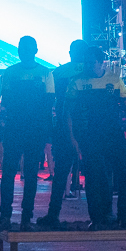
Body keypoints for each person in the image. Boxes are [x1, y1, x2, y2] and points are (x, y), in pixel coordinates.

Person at [65, 45, 126, 229]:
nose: (88, 66)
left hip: (114, 134)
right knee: (94, 177)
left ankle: (123, 215)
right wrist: (73, 138)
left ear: (101, 62)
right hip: (90, 136)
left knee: (124, 174)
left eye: (91, 62)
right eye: (86, 63)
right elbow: (68, 112)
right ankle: (97, 218)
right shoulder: (77, 82)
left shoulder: (114, 80)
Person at [0, 35, 54, 232]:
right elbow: (6, 101)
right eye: (21, 48)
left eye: (26, 48)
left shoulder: (45, 73)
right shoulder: (10, 72)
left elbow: (49, 104)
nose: (23, 52)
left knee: (29, 174)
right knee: (10, 172)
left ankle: (26, 217)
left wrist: (44, 132)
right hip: (16, 129)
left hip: (32, 130)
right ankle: (6, 216)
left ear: (35, 51)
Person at [37, 38, 87, 228]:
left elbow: (49, 99)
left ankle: (53, 214)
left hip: (63, 125)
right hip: (88, 125)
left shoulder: (58, 72)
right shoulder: (91, 71)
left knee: (60, 172)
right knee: (97, 170)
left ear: (70, 53)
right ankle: (101, 214)